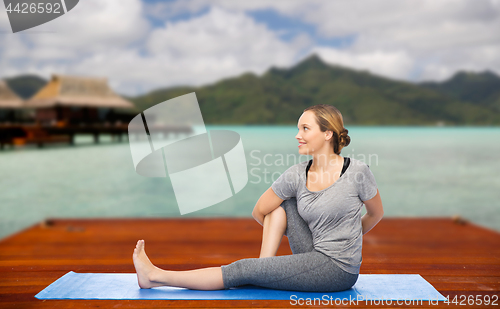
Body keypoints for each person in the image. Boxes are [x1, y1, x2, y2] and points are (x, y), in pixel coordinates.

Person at [132, 104, 384, 292]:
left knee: (242, 269)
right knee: (282, 204)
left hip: (338, 269)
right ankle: (264, 267)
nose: (298, 135)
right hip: (312, 251)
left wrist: (349, 237)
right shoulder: (296, 174)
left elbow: (375, 213)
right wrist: (274, 253)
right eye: (298, 128)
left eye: (305, 128)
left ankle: (155, 277)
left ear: (328, 134)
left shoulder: (357, 172)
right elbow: (259, 211)